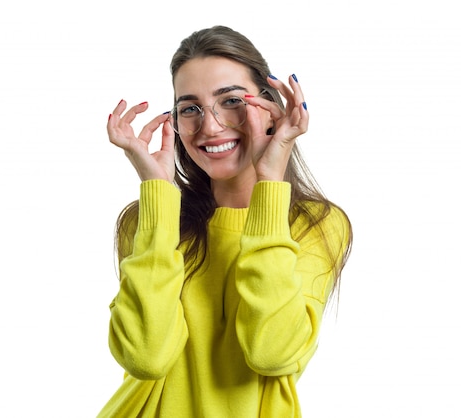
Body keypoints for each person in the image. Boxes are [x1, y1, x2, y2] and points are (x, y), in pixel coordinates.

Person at [98, 25, 352, 418]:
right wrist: (157, 194)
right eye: (190, 108)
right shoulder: (150, 217)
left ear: (270, 107)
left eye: (231, 101)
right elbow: (146, 356)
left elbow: (271, 353)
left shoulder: (316, 223)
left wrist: (270, 183)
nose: (211, 126)